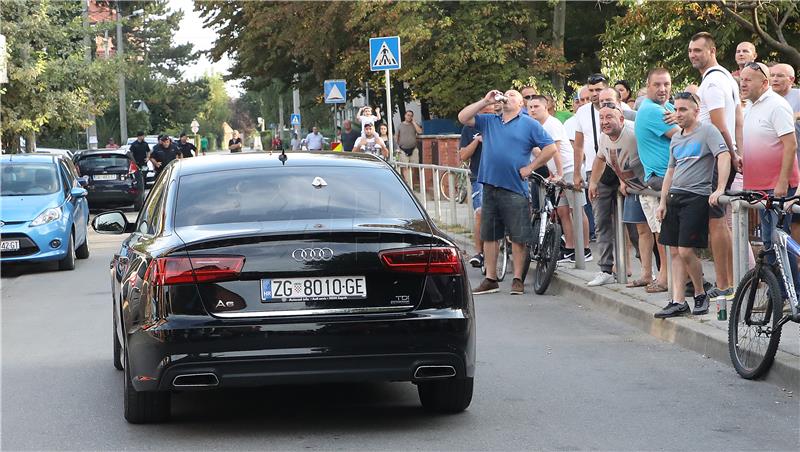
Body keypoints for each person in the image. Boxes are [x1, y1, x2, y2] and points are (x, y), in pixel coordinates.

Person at [458, 89, 557, 296]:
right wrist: (485, 100)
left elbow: (550, 148)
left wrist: (530, 168)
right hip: (489, 185)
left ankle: (518, 279)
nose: (506, 96)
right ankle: (491, 278)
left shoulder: (529, 123)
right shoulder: (490, 120)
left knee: (518, 236)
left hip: (514, 187)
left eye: (512, 95)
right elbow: (463, 117)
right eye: (506, 94)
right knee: (490, 235)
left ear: (521, 103)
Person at [655, 91, 731, 318]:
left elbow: (723, 155)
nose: (678, 114)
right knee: (675, 252)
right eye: (676, 109)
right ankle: (678, 301)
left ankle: (700, 293)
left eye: (683, 109)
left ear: (696, 111)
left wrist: (720, 188)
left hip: (696, 197)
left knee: (687, 250)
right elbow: (671, 170)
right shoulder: (677, 137)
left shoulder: (707, 130)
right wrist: (662, 201)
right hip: (674, 198)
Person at [685, 31, 742, 300]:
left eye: (698, 50)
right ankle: (729, 281)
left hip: (714, 158)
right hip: (721, 156)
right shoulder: (726, 78)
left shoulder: (712, 83)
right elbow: (738, 118)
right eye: (691, 51)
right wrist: (736, 152)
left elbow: (721, 125)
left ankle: (724, 284)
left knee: (716, 222)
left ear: (713, 50)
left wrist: (730, 153)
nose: (694, 55)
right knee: (720, 222)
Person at [740, 62, 800, 296]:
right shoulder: (750, 106)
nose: (743, 83)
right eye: (742, 79)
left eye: (749, 79)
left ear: (764, 83)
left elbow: (790, 145)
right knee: (770, 243)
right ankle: (782, 294)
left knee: (778, 244)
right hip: (760, 187)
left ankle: (790, 294)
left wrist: (782, 183)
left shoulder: (776, 105)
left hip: (777, 188)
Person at [528, 95, 591, 263]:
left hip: (569, 170)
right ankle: (570, 248)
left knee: (577, 209)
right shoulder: (537, 126)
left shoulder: (552, 124)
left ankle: (585, 248)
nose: (532, 110)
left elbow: (554, 151)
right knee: (562, 211)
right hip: (557, 173)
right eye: (530, 107)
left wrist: (561, 173)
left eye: (536, 106)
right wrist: (552, 173)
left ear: (546, 107)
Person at [634, 67, 680, 293]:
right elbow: (685, 135)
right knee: (664, 230)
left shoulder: (667, 107)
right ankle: (665, 278)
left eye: (667, 84)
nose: (663, 89)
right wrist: (683, 121)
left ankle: (674, 277)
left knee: (664, 229)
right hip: (661, 177)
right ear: (647, 86)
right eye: (657, 85)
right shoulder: (652, 110)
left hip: (669, 175)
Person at [574, 74, 609, 241]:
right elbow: (578, 145)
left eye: (599, 90)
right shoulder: (582, 112)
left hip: (620, 167)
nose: (595, 94)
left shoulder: (620, 107)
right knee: (601, 220)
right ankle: (607, 265)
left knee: (628, 221)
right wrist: (576, 173)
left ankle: (627, 264)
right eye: (592, 90)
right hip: (593, 169)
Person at [459, 104, 494, 268]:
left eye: (491, 112)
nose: (488, 115)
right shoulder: (469, 128)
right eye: (485, 112)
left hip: (500, 176)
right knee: (480, 213)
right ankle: (479, 253)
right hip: (479, 176)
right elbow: (463, 156)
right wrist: (477, 141)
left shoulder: (500, 125)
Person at [770, 63, 800, 241]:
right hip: (774, 173)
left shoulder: (797, 95)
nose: (774, 79)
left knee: (796, 222)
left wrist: (795, 115)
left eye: (779, 76)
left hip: (796, 168)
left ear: (791, 80)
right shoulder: (766, 99)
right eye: (772, 75)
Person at [395, 110, 423, 184]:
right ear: (405, 115)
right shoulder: (400, 125)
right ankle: (408, 183)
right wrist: (397, 147)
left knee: (413, 166)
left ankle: (410, 182)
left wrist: (413, 122)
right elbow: (396, 137)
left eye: (411, 115)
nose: (409, 117)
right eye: (408, 115)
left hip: (413, 149)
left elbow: (420, 132)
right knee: (405, 167)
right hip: (403, 149)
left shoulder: (414, 125)